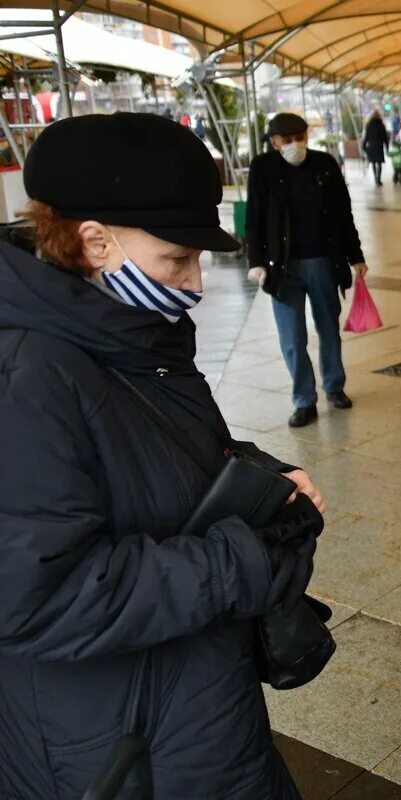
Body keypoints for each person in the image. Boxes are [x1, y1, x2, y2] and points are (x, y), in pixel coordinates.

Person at [0, 112, 326, 799]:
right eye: (177, 259)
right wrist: (241, 560)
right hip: (120, 746)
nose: (197, 282)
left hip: (185, 707)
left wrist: (257, 476)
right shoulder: (27, 377)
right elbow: (38, 594)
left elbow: (141, 451)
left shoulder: (123, 338)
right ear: (95, 243)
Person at [246, 112, 368, 428]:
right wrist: (256, 262)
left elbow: (344, 213)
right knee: (292, 338)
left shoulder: (325, 164)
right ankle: (304, 400)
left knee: (329, 328)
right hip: (283, 268)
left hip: (323, 262)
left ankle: (335, 386)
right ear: (274, 142)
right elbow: (254, 218)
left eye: (300, 138)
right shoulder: (262, 168)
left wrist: (356, 255)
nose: (295, 145)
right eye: (287, 140)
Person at [362, 108, 388, 186]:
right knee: (379, 163)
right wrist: (387, 147)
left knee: (373, 162)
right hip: (379, 146)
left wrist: (363, 146)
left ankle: (375, 178)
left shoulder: (368, 125)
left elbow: (366, 136)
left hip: (371, 146)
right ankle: (378, 179)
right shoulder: (381, 125)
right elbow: (385, 137)